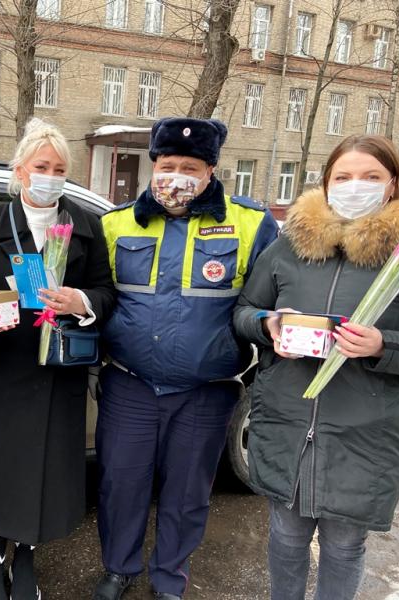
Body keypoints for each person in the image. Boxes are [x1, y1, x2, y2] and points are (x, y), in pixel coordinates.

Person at [94, 117, 280, 600]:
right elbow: (99, 294)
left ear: (211, 170)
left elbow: (267, 299)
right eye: (167, 165)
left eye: (190, 167)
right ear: (153, 166)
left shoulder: (252, 222)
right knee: (122, 484)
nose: (176, 176)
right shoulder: (115, 223)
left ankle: (169, 576)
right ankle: (119, 568)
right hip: (130, 384)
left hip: (206, 390)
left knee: (187, 494)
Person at [233, 134, 399, 600]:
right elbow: (244, 310)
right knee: (287, 536)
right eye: (344, 177)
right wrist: (268, 324)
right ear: (326, 184)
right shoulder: (290, 246)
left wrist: (382, 344)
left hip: (366, 433)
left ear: (393, 184)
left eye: (371, 177)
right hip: (289, 420)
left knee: (343, 544)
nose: (356, 186)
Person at [0, 118, 116, 600]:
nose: (50, 174)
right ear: (20, 170)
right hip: (1, 367)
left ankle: (24, 554)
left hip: (57, 372)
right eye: (41, 165)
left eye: (59, 168)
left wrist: (81, 301)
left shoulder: (84, 227)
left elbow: (108, 293)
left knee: (43, 470)